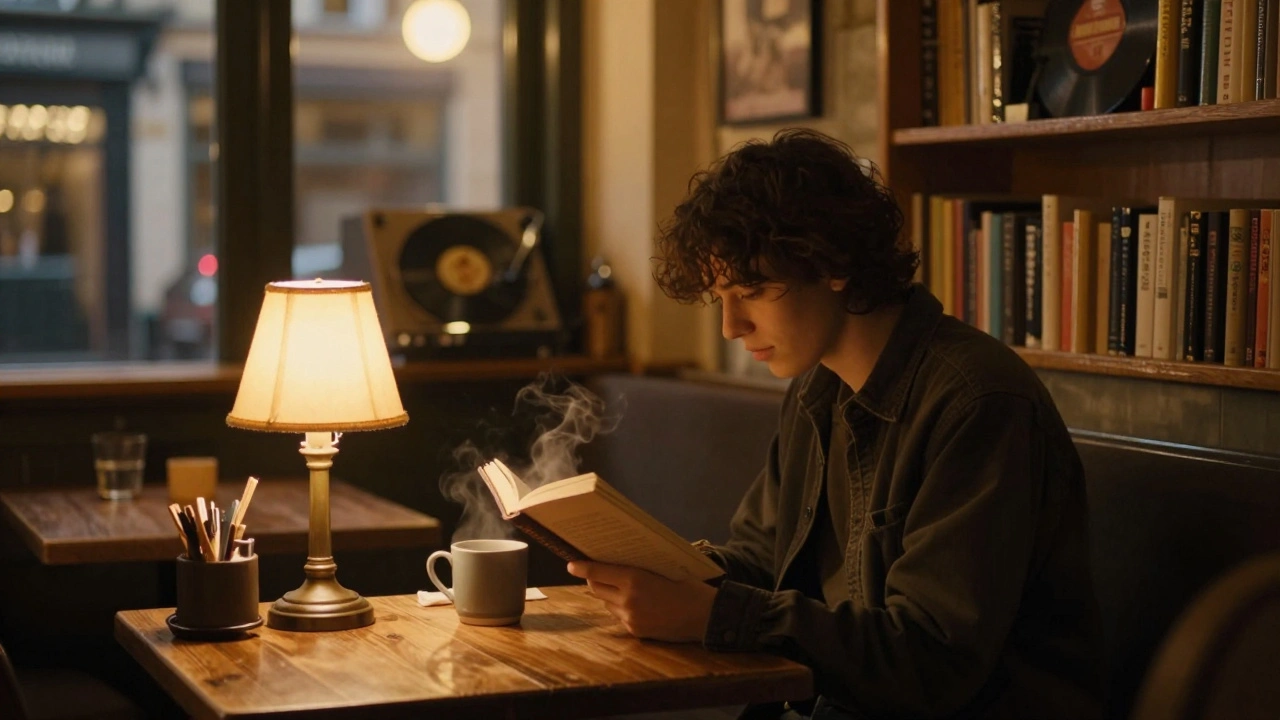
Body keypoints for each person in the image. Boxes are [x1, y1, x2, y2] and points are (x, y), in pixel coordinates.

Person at [567, 129, 1104, 719]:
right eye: (721, 295)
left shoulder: (978, 402)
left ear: (834, 264)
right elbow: (763, 558)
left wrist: (713, 615)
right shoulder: (816, 388)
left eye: (753, 290)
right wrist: (665, 570)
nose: (731, 327)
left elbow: (933, 659)